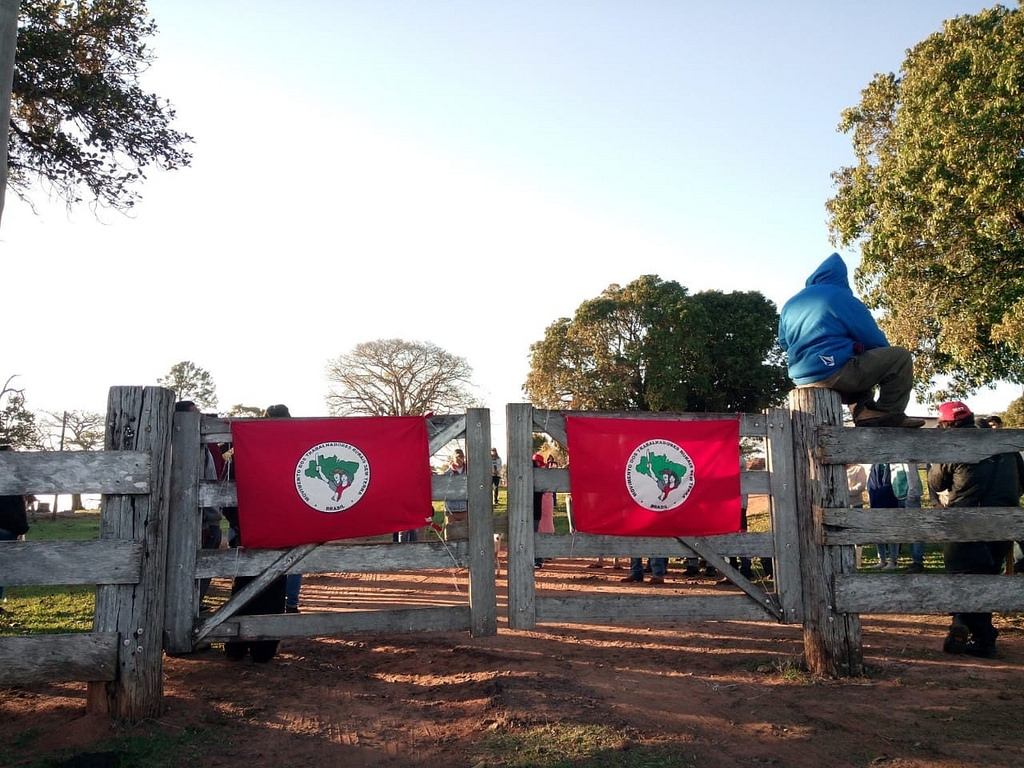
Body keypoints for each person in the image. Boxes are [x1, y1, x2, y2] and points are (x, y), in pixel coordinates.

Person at [778, 252, 924, 428]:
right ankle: (887, 414)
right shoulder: (841, 297)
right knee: (899, 358)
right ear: (843, 279)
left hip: (801, 377)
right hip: (834, 374)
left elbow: (784, 343)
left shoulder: (791, 304)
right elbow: (873, 338)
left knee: (856, 362)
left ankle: (864, 413)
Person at [929, 400, 1024, 658]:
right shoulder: (1007, 446)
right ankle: (960, 622)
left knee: (963, 577)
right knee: (986, 577)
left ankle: (984, 639)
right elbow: (1022, 482)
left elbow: (936, 482)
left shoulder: (954, 445)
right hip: (1005, 520)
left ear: (946, 423)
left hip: (966, 522)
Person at [175, 401, 227, 605]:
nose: (202, 417)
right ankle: (191, 606)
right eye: (196, 414)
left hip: (201, 519)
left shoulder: (205, 445)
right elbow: (208, 480)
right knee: (198, 568)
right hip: (201, 520)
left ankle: (191, 606)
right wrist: (211, 519)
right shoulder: (197, 447)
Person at [0, 445, 30, 612]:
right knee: (3, 567)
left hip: (8, 528)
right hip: (5, 529)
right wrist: (21, 527)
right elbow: (8, 511)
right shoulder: (8, 482)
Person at [891, 462, 926, 573]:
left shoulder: (905, 459)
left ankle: (917, 561)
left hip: (909, 496)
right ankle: (914, 560)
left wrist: (911, 495)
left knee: (915, 530)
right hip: (901, 496)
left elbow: (912, 476)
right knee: (909, 531)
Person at [867, 463, 900, 570]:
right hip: (876, 498)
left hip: (891, 498)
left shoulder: (893, 464)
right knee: (878, 530)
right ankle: (882, 560)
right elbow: (870, 483)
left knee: (892, 531)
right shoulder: (874, 465)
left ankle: (893, 561)